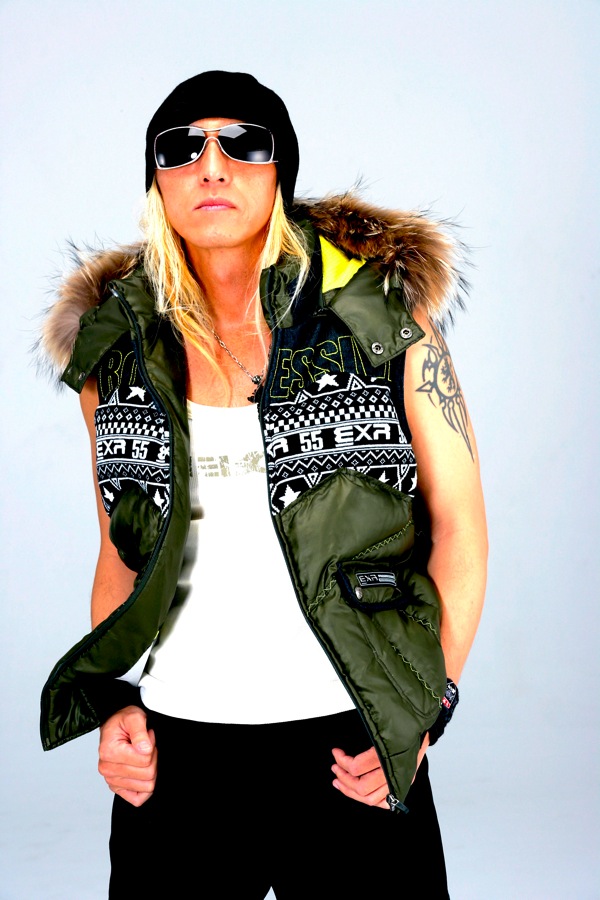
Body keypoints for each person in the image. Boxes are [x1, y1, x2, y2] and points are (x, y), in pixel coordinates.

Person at [39, 70, 487, 899]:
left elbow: (459, 526)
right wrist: (114, 704)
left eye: (244, 143)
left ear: (281, 171)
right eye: (182, 148)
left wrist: (427, 707)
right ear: (158, 180)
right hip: (177, 756)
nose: (212, 165)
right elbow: (120, 551)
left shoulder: (380, 318)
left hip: (351, 738)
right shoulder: (115, 349)